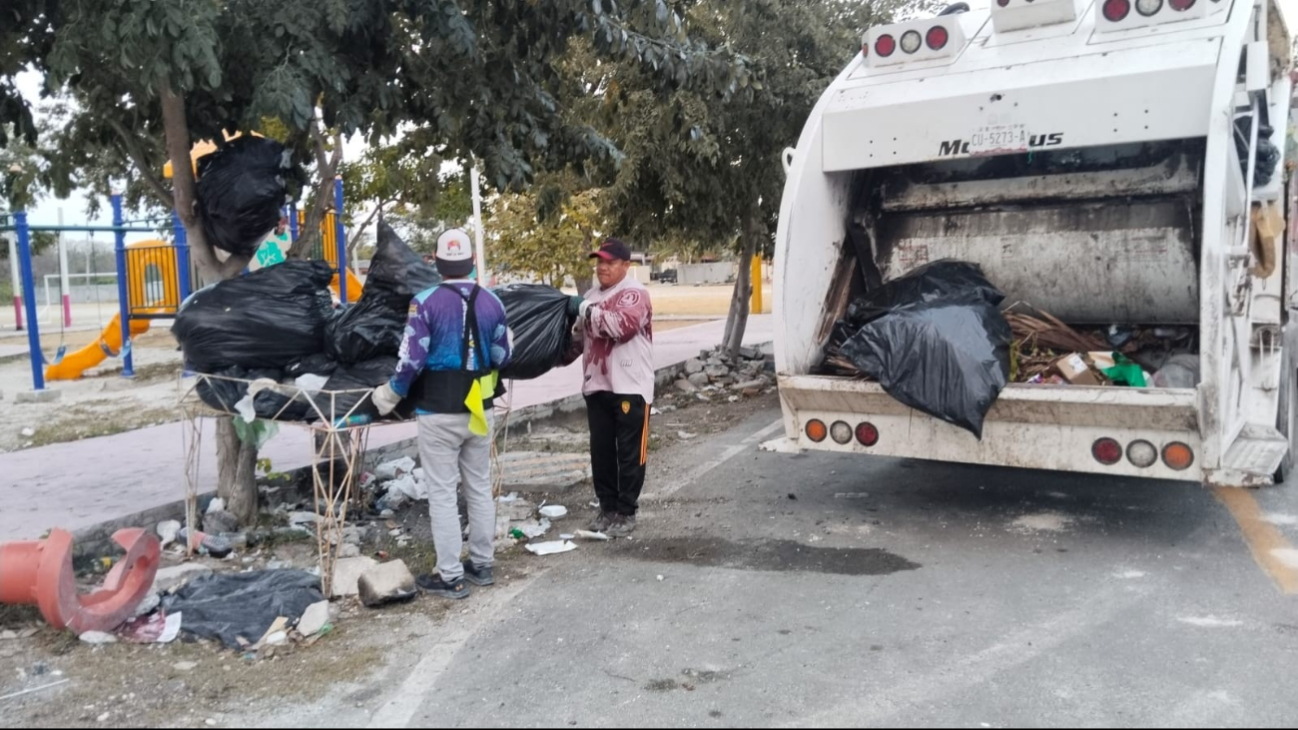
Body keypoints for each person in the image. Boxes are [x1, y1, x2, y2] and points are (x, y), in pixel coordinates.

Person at [371, 229, 511, 600]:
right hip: (479, 407)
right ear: (473, 262)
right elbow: (503, 356)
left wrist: (390, 395)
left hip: (437, 409)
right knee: (479, 487)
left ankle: (450, 576)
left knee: (443, 493)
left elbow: (412, 358)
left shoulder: (425, 302)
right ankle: (482, 564)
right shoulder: (493, 302)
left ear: (435, 260)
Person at [567, 238, 654, 538]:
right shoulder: (591, 295)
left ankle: (626, 511)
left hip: (630, 385)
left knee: (630, 452)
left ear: (626, 265)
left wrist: (585, 310)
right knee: (601, 452)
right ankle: (607, 508)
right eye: (599, 262)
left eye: (610, 262)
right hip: (597, 386)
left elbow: (622, 327)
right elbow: (578, 340)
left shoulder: (634, 294)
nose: (602, 267)